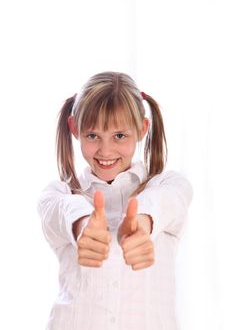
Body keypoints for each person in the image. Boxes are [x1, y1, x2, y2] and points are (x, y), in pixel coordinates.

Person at [38, 71, 193, 330]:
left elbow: (169, 200)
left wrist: (143, 223)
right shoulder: (59, 194)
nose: (105, 150)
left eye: (119, 136)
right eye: (92, 135)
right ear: (74, 128)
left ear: (142, 129)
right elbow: (61, 210)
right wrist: (83, 225)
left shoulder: (168, 185)